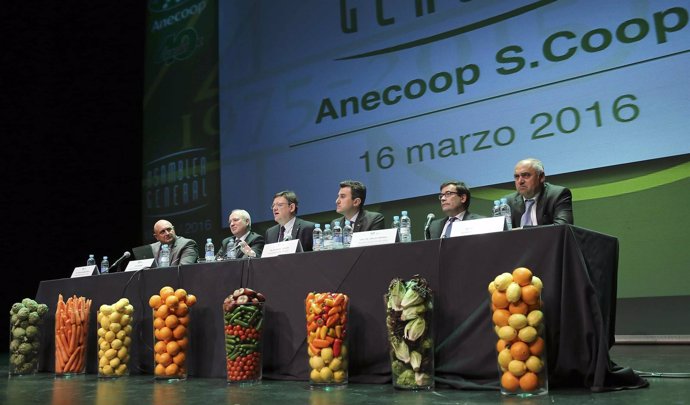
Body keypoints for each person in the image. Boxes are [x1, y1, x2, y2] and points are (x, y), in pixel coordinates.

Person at [504, 158, 574, 228]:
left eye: (526, 175)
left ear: (541, 177)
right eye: (517, 176)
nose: (520, 181)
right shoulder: (508, 202)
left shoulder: (557, 195)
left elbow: (563, 228)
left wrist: (524, 232)